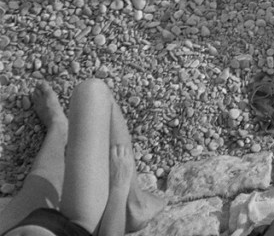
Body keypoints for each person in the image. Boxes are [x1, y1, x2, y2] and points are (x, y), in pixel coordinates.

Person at [0, 79, 164, 236]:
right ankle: (134, 205)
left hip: (15, 228)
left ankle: (58, 126)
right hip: (76, 229)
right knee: (92, 92)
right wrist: (119, 187)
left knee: (41, 180)